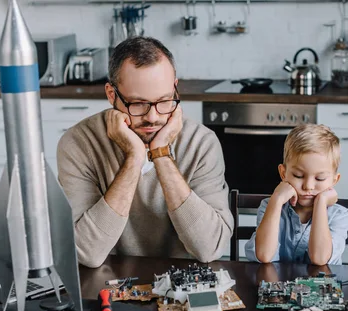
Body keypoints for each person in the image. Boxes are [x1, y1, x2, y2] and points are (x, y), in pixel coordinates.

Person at [57, 37, 233, 268]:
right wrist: (134, 158)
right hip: (108, 285)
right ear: (112, 94)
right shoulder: (78, 143)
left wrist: (161, 154)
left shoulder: (201, 143)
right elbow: (87, 252)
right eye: (138, 104)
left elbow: (209, 248)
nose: (153, 117)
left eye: (164, 101)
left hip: (182, 285)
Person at [244, 124, 348, 265]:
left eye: (319, 178)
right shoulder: (270, 206)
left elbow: (319, 258)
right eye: (298, 176)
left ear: (334, 180)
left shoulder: (339, 215)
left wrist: (321, 202)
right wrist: (277, 198)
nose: (308, 186)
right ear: (283, 173)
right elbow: (264, 255)